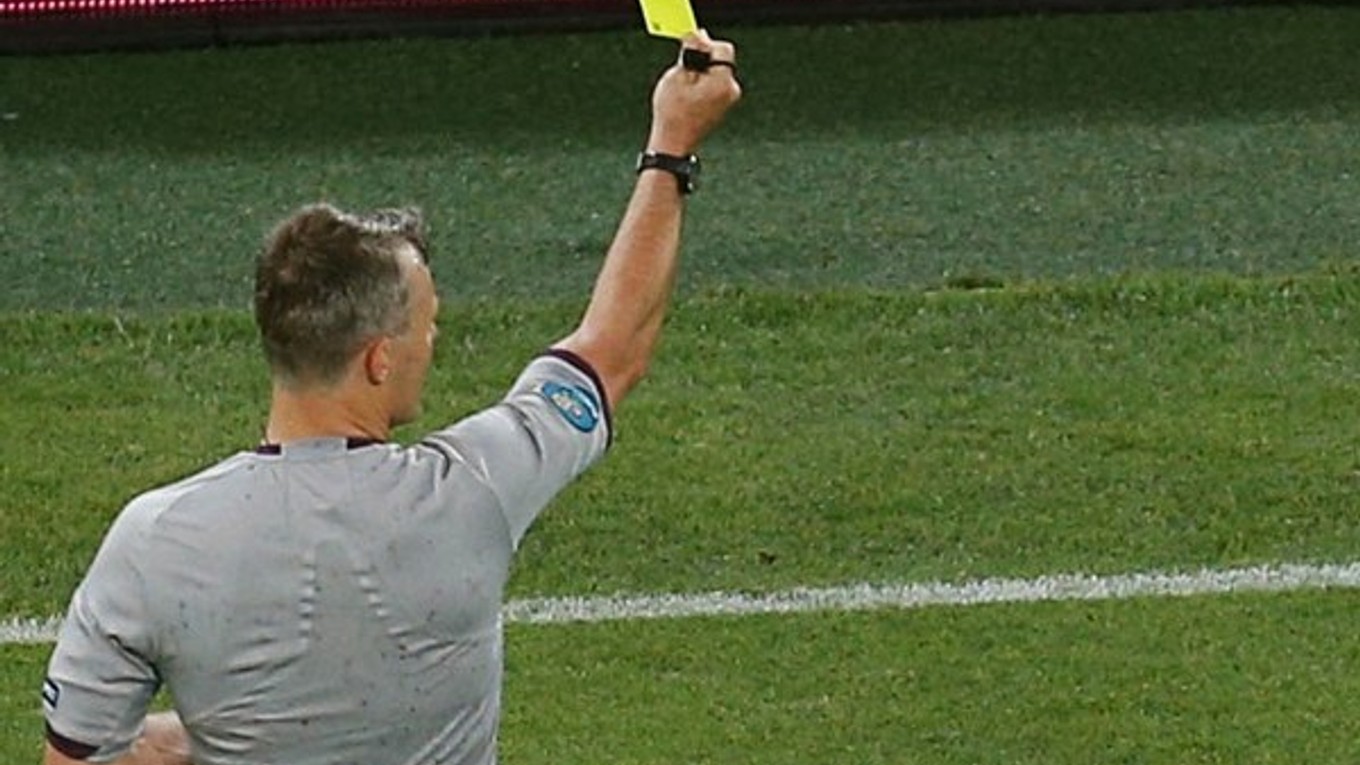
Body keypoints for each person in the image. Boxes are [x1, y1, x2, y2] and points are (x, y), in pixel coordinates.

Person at [41, 30, 741, 765]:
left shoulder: (154, 538)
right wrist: (671, 146)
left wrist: (213, 742)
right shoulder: (473, 490)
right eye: (426, 326)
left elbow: (75, 759)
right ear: (379, 359)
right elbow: (613, 350)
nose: (433, 342)